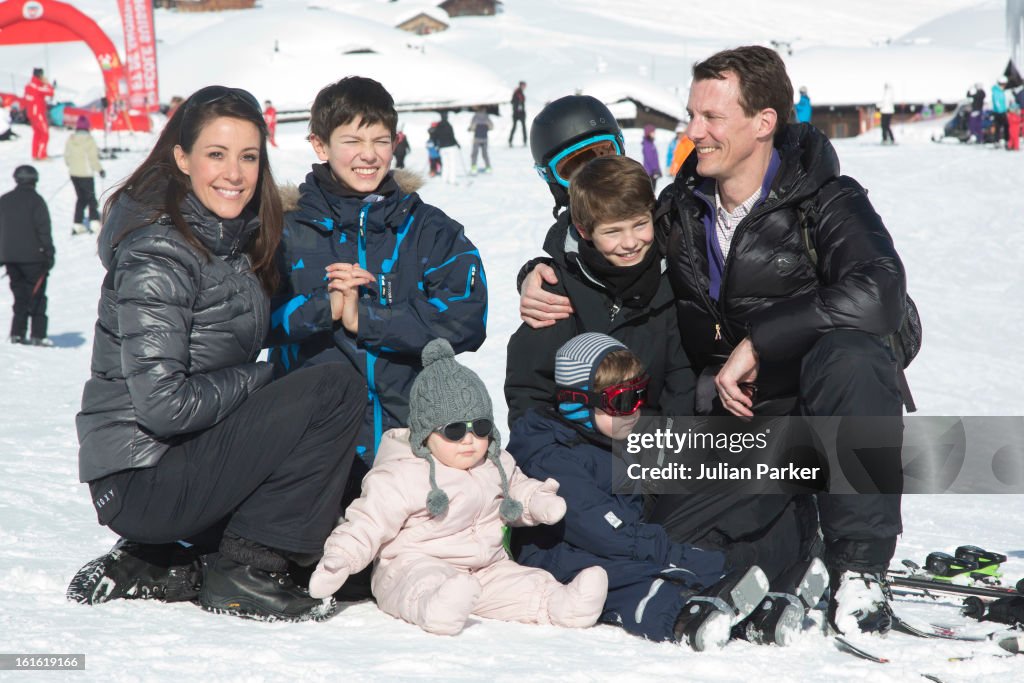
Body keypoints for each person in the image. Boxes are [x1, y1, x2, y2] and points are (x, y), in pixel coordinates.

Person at [519, 46, 909, 636]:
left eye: (711, 118)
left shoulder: (827, 199)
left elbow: (881, 292)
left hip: (820, 404)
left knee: (849, 354)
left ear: (763, 122)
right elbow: (605, 233)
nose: (692, 132)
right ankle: (793, 543)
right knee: (667, 538)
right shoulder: (679, 210)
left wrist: (764, 341)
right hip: (738, 426)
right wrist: (538, 268)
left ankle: (861, 569)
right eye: (692, 115)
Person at [67, 85, 365, 623]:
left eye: (249, 157)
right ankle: (245, 570)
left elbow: (227, 329)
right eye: (216, 154)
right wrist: (262, 379)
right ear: (182, 159)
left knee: (345, 530)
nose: (235, 173)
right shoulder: (159, 253)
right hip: (141, 480)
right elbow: (164, 406)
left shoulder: (226, 241)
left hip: (180, 467)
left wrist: (332, 305)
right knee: (334, 387)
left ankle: (164, 562)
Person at [508, 333, 811, 650]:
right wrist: (689, 557)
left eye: (640, 395)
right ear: (578, 405)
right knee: (638, 577)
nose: (635, 410)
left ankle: (760, 606)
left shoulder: (609, 438)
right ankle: (686, 615)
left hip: (625, 540)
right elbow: (605, 533)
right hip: (570, 555)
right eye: (622, 401)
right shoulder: (555, 456)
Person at [308, 338, 608, 635]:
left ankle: (560, 603)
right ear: (425, 434)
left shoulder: (495, 463)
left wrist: (536, 501)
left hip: (485, 566)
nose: (469, 440)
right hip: (413, 564)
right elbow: (368, 522)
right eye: (453, 430)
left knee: (522, 581)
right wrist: (341, 559)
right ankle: (436, 606)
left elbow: (516, 489)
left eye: (480, 427)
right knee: (421, 582)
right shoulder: (403, 474)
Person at [266, 75, 487, 466]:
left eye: (380, 141)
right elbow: (246, 323)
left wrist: (365, 318)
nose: (368, 155)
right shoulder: (284, 231)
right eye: (351, 141)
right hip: (311, 446)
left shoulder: (429, 229)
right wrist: (326, 308)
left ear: (395, 142)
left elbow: (466, 319)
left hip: (416, 441)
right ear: (320, 144)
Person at [505, 155, 694, 428]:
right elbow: (530, 389)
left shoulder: (668, 276)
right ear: (584, 231)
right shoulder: (559, 291)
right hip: (576, 446)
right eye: (613, 232)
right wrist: (547, 452)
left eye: (640, 224)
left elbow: (680, 375)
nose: (630, 242)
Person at [0, 165, 54, 346]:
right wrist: (49, 253)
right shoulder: (37, 201)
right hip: (34, 259)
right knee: (37, 296)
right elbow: (44, 230)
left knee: (20, 295)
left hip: (10, 259)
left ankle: (17, 333)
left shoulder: (4, 200)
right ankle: (38, 335)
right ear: (34, 180)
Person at [64, 115, 106, 235]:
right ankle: (94, 222)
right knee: (91, 198)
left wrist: (72, 166)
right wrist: (100, 170)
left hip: (74, 174)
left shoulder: (71, 139)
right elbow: (93, 158)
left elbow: (67, 157)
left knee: (81, 198)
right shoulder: (89, 140)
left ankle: (77, 224)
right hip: (86, 174)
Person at [23, 67, 55, 160]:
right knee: (45, 133)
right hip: (38, 113)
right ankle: (42, 155)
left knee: (37, 133)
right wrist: (47, 84)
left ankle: (35, 154)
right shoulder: (38, 87)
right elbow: (51, 92)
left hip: (31, 113)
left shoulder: (29, 86)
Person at [432, 110, 460, 184]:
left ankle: (444, 179)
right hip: (450, 147)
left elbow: (434, 137)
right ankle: (452, 180)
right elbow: (452, 136)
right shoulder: (448, 125)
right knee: (452, 163)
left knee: (445, 164)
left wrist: (436, 146)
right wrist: (457, 144)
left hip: (442, 148)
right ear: (446, 117)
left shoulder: (438, 126)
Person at [468, 105, 493, 174]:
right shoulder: (486, 116)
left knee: (474, 154)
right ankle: (488, 167)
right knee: (485, 154)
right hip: (485, 138)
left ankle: (473, 168)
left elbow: (472, 126)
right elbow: (491, 126)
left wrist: (470, 129)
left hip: (477, 138)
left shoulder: (475, 116)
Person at [509, 80, 527, 147]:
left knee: (521, 127)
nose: (525, 87)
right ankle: (510, 141)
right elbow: (514, 102)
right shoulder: (517, 92)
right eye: (524, 85)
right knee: (515, 127)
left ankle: (524, 141)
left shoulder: (519, 92)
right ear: (521, 85)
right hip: (517, 113)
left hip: (520, 113)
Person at [991, 77, 1008, 146]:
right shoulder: (997, 91)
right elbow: (997, 102)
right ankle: (998, 141)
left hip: (1002, 111)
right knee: (1001, 127)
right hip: (999, 112)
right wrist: (1001, 111)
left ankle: (1002, 140)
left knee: (1003, 127)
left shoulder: (1000, 91)